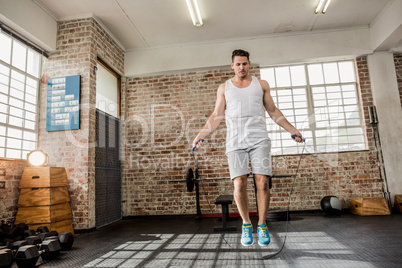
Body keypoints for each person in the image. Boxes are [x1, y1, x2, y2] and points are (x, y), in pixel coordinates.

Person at [192, 49, 304, 247]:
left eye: (244, 64)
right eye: (238, 64)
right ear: (232, 66)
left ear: (249, 64)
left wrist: (292, 129)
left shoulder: (261, 85)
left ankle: (261, 225)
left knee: (262, 183)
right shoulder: (224, 88)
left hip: (259, 139)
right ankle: (246, 224)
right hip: (235, 142)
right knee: (239, 184)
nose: (241, 67)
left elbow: (273, 111)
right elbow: (216, 116)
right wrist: (201, 135)